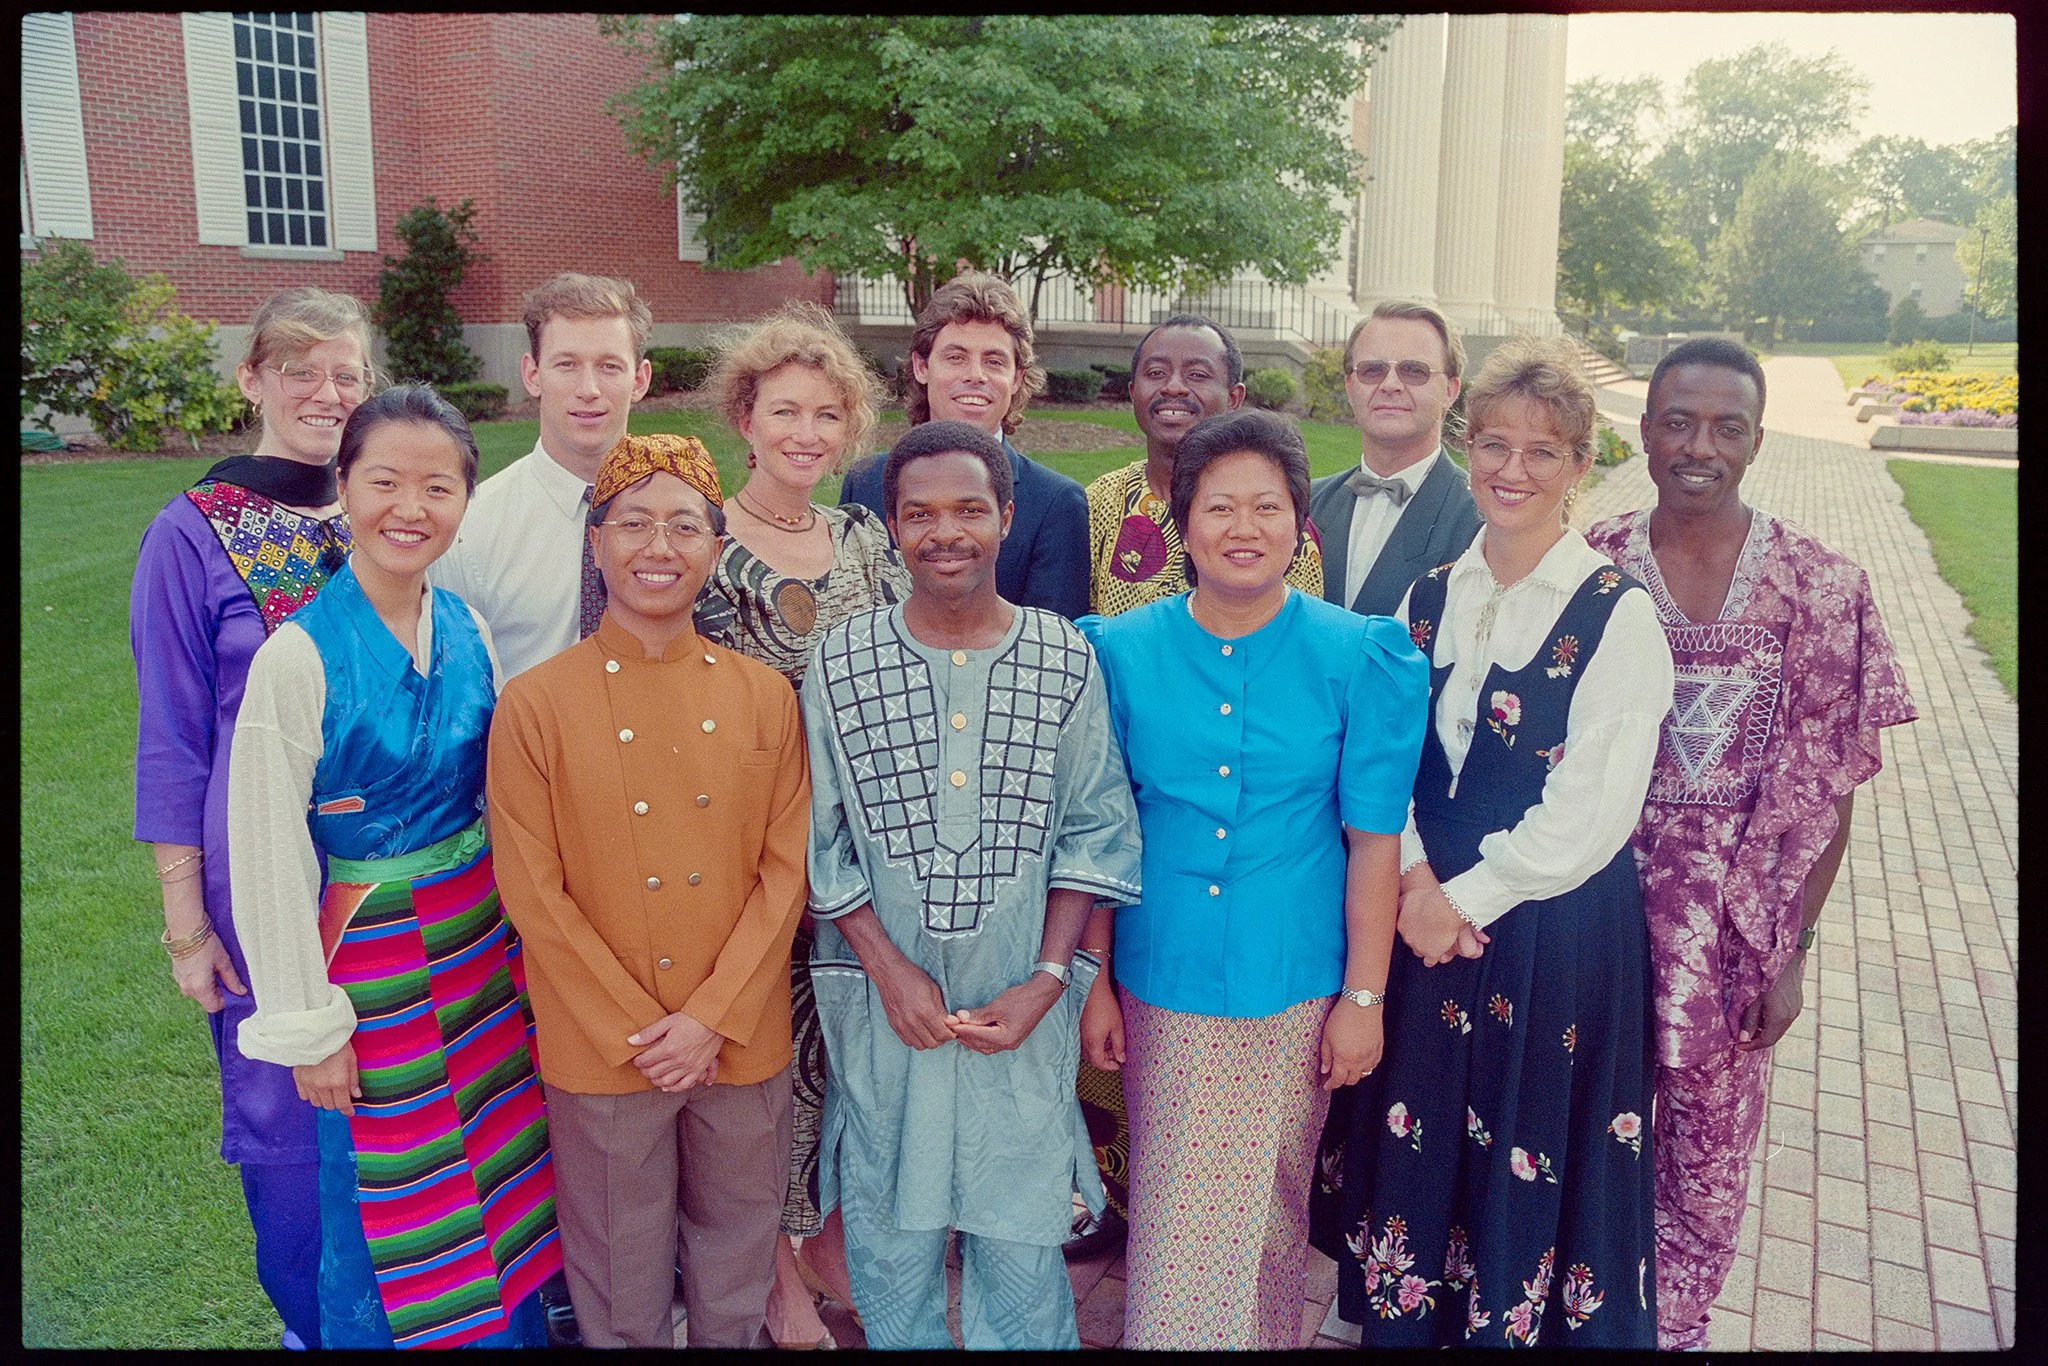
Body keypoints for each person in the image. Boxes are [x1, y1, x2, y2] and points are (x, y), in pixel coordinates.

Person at [1330, 337, 1675, 1348]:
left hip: (1544, 932)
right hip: (1422, 910)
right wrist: (1409, 881)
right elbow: (1377, 759)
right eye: (1490, 444)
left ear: (1578, 464)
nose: (1509, 470)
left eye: (1540, 450)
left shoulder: (1617, 616)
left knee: (1526, 1140)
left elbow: (1592, 809)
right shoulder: (1427, 595)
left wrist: (1459, 900)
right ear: (1464, 444)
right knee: (1422, 1133)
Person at [1585, 339, 1917, 1350]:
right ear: (1641, 433)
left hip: (1731, 936)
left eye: (1725, 426)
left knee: (1706, 1151)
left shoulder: (1820, 587)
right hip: (1586, 917)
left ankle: (1669, 1328)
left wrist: (1794, 953)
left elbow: (1828, 790)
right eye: (1677, 422)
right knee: (1581, 1126)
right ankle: (1580, 1308)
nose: (1699, 445)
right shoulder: (1586, 567)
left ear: (1755, 440)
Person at [1077, 409, 1427, 1348]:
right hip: (1163, 977)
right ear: (1182, 523)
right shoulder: (1118, 652)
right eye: (1220, 507)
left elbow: (1375, 844)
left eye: (1266, 507)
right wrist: (1096, 980)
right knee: (1178, 1214)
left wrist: (1365, 995)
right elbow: (1103, 835)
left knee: (1269, 1214)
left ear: (1300, 523)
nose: (1244, 528)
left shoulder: (1362, 656)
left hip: (1293, 985)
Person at [227, 385, 560, 1349]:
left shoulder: (468, 628)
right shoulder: (298, 655)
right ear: (343, 487)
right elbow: (268, 853)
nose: (409, 509)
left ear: (464, 500)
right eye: (382, 482)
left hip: (480, 957)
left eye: (437, 487)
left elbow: (496, 803)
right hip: (371, 969)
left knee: (498, 1185)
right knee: (397, 1204)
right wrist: (310, 1025)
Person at [802, 420, 1142, 1349]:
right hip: (881, 1003)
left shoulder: (1063, 653)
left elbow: (1095, 824)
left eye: (968, 510)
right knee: (889, 1229)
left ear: (1006, 518)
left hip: (1018, 1004)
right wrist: (888, 969)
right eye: (919, 514)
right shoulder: (842, 659)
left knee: (1022, 1234)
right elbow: (818, 835)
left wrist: (1045, 979)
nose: (944, 532)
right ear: (891, 526)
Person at [487, 434, 810, 1349]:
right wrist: (644, 1028)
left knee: (737, 1260)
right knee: (619, 1272)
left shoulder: (763, 696)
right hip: (603, 1047)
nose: (656, 547)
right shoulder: (536, 703)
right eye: (632, 523)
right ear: (596, 543)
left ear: (715, 549)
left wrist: (710, 1017)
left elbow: (785, 873)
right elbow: (533, 891)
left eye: (682, 526)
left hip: (740, 1038)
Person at [129, 285, 374, 1351]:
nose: (327, 393)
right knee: (288, 1110)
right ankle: (312, 1327)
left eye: (347, 374)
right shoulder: (191, 532)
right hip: (260, 876)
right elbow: (174, 734)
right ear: (253, 380)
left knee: (403, 1095)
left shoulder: (387, 504)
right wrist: (187, 919)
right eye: (301, 371)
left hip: (391, 863)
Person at [692, 301, 908, 1348]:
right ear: (746, 414)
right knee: (766, 1075)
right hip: (749, 848)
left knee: (850, 1061)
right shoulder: (698, 533)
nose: (807, 434)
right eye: (786, 411)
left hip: (865, 847)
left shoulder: (865, 535)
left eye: (828, 414)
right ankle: (776, 1284)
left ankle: (828, 1248)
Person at [431, 272, 654, 679]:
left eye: (609, 366)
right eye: (566, 364)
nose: (588, 389)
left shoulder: (677, 521)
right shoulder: (472, 527)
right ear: (532, 374)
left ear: (639, 380)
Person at [838, 271, 1090, 619]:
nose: (976, 375)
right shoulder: (865, 482)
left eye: (994, 361)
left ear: (1016, 377)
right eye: (956, 357)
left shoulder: (1056, 503)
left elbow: (1054, 647)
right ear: (922, 366)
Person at [1306, 300, 1483, 617]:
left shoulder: (1480, 521)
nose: (1389, 385)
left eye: (1414, 371)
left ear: (1451, 390)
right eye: (1372, 370)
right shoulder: (1303, 505)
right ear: (1350, 386)